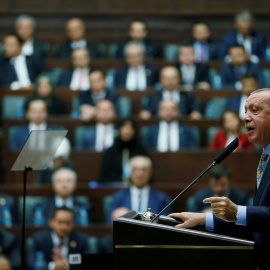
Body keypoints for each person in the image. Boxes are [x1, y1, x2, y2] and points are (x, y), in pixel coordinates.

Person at [169, 88, 270, 270]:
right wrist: (203, 219)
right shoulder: (265, 157)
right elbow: (257, 224)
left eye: (254, 110)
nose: (245, 118)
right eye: (245, 111)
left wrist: (238, 212)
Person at [109, 156, 171, 222]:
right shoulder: (119, 197)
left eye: (144, 170)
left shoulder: (161, 198)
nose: (140, 174)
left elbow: (165, 224)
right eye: (136, 169)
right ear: (130, 172)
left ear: (150, 173)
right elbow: (110, 222)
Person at [99, 117, 149, 183]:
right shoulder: (111, 151)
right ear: (119, 129)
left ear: (134, 130)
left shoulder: (141, 150)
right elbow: (104, 177)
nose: (127, 131)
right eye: (124, 127)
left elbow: (148, 173)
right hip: (114, 188)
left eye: (130, 128)